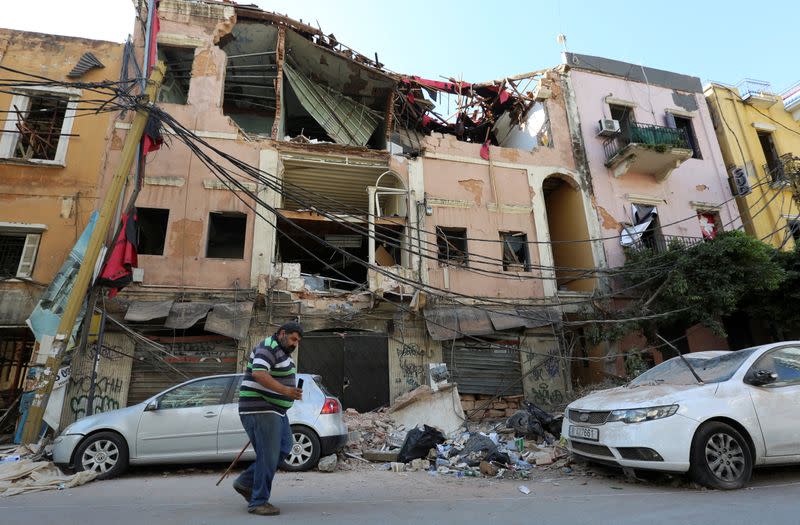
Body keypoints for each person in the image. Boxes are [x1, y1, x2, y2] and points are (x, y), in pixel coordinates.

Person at [233, 321, 304, 516]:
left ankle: (245, 482)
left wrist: (290, 395)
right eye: (293, 339)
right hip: (261, 410)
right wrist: (287, 390)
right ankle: (258, 502)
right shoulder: (268, 346)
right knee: (268, 456)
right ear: (282, 333)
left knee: (284, 447)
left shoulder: (283, 353)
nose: (295, 344)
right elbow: (259, 374)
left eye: (297, 341)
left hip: (276, 411)